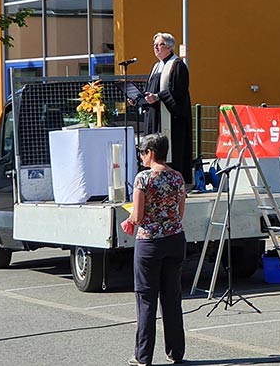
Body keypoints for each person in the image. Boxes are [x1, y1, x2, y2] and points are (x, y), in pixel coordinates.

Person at [122, 133, 187, 366]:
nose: (141, 156)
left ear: (151, 153)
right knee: (172, 298)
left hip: (149, 241)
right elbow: (180, 214)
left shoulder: (143, 179)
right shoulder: (177, 177)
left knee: (146, 299)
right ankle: (176, 351)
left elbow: (138, 216)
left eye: (142, 152)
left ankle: (143, 355)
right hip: (175, 238)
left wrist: (130, 217)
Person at [142, 32, 193, 184]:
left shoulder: (177, 65)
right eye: (154, 45)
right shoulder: (156, 66)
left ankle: (171, 182)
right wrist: (142, 98)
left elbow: (178, 92)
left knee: (170, 150)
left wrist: (158, 97)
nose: (156, 48)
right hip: (155, 115)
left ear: (170, 48)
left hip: (170, 119)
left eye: (160, 45)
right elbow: (150, 88)